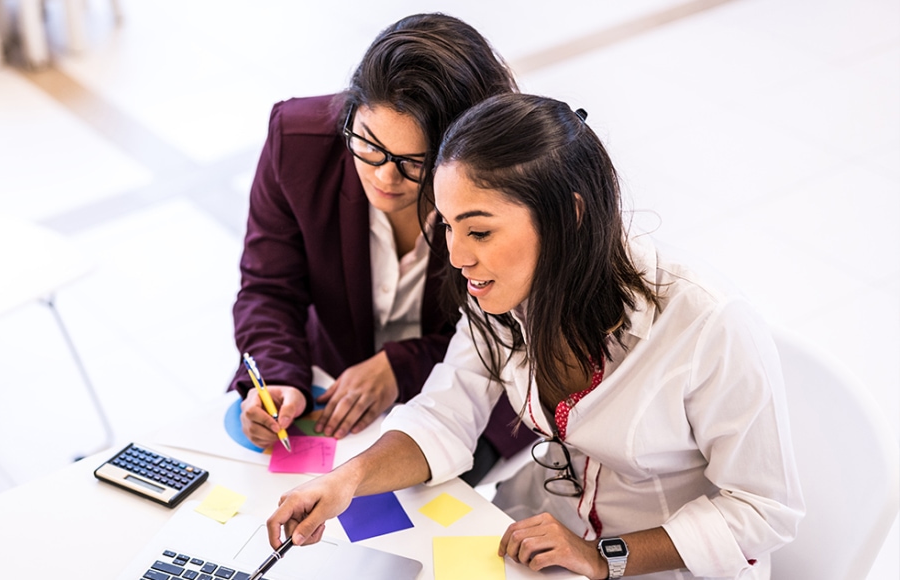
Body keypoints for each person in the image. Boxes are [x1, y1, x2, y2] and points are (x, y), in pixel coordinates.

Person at [264, 93, 805, 580]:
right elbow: (444, 414)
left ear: (568, 216)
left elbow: (764, 509)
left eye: (479, 231)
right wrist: (345, 482)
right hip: (537, 539)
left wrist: (602, 556)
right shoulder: (503, 297)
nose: (456, 256)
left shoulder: (706, 324)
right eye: (448, 226)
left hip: (658, 564)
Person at [228, 13, 535, 484]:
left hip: (472, 399)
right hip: (337, 391)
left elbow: (511, 325)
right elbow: (269, 287)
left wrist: (401, 366)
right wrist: (275, 377)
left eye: (415, 163)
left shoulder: (504, 186)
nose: (384, 178)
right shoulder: (299, 141)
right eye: (368, 145)